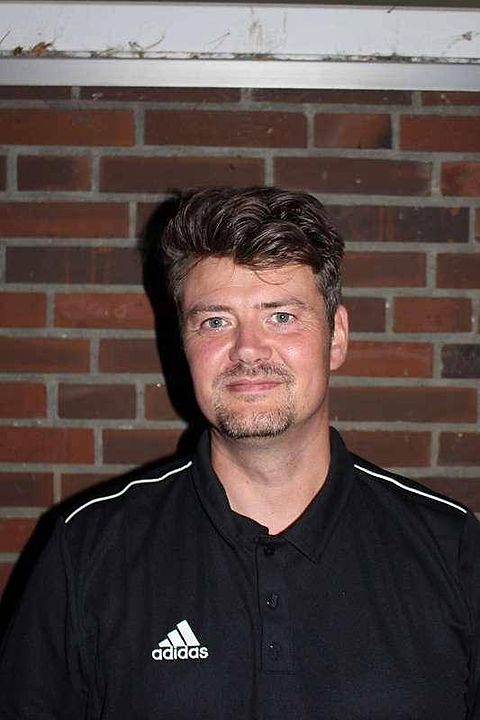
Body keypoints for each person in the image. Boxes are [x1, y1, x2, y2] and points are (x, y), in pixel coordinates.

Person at [1, 186, 480, 719]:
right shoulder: (87, 548)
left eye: (281, 316)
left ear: (336, 337)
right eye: (215, 321)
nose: (247, 350)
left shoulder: (452, 549)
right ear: (183, 345)